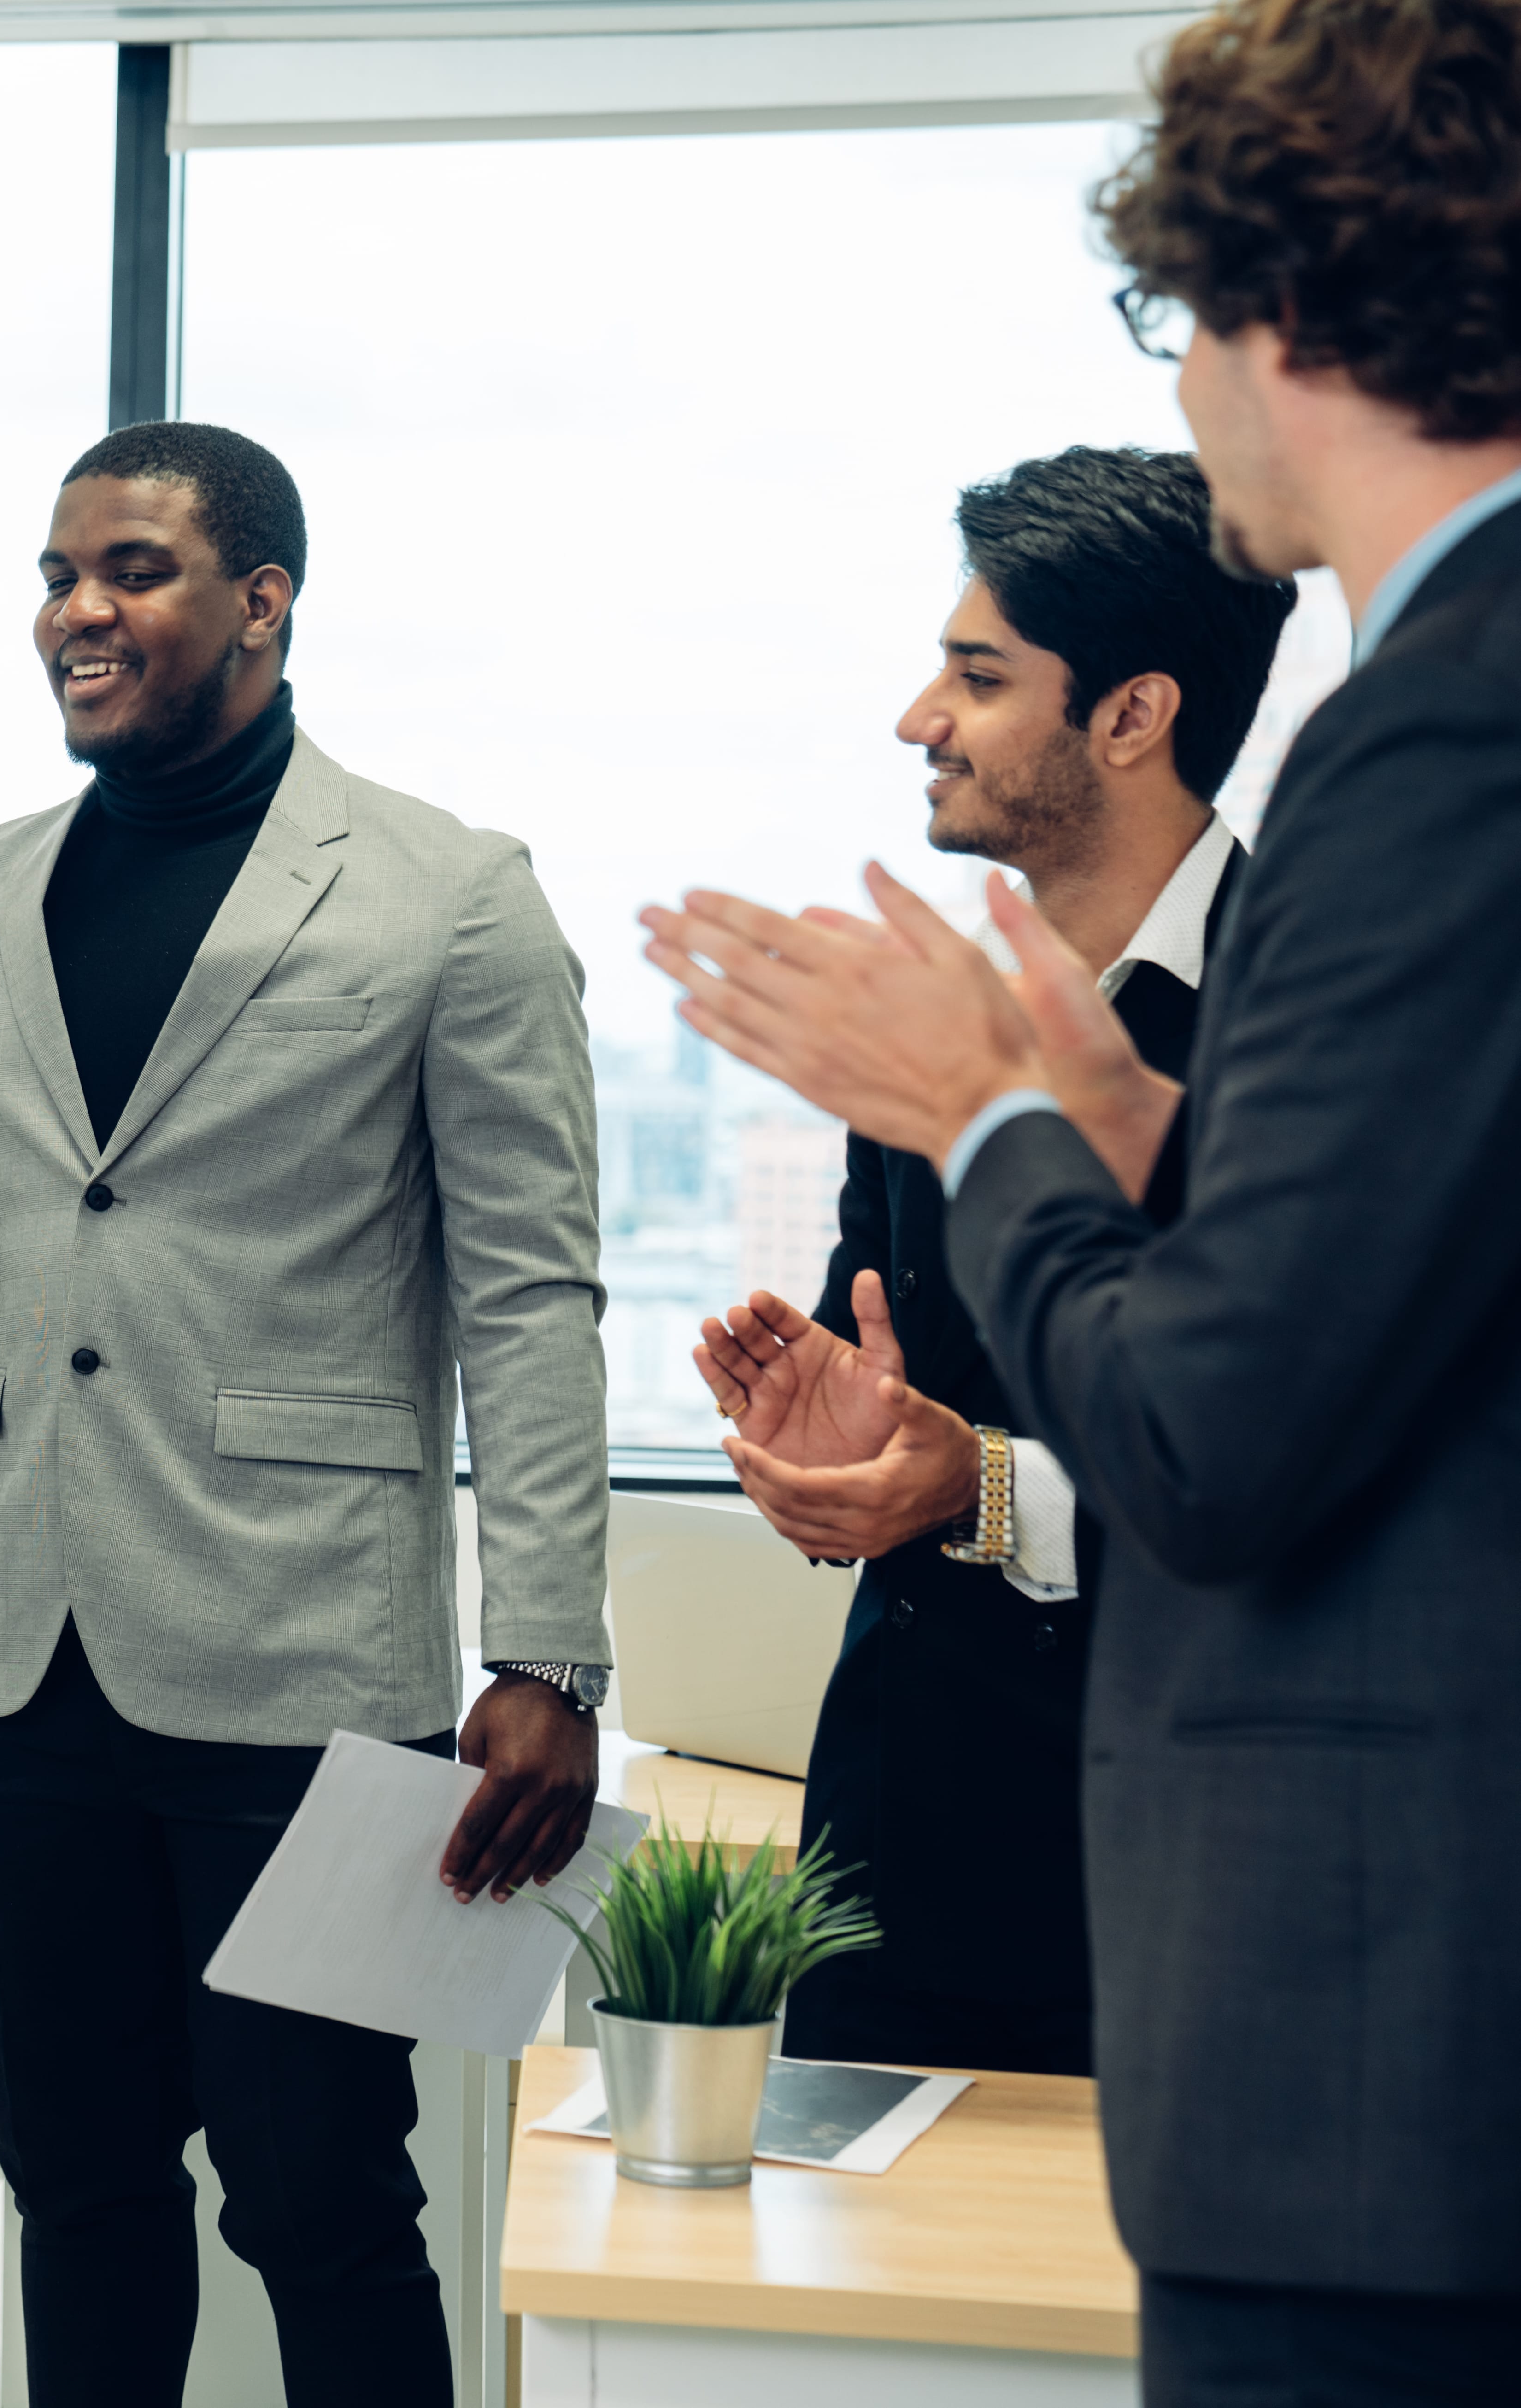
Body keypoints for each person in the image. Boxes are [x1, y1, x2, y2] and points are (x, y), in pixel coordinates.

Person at [643, 1, 1521, 2388]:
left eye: (1175, 319)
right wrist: (1094, 1143)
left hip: (1338, 2023)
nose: (1186, 388)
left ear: (1289, 299)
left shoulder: (1438, 727)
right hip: (947, 1857)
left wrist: (999, 1122)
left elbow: (1233, 1426)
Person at [0, 423, 610, 2404]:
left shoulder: (449, 896)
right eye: (60, 572)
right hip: (18, 1672)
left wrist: (551, 1646)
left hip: (311, 1671)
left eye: (134, 568)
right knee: (74, 2188)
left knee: (322, 2195)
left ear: (264, 599)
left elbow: (530, 1289)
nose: (79, 608)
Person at [694, 447, 1293, 2078]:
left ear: (1129, 713)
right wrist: (824, 1432)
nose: (917, 718)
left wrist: (975, 1484)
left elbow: (1307, 1466)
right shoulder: (937, 1013)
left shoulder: (1308, 1024)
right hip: (896, 1868)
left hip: (1191, 1882)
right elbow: (889, 1373)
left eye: (973, 674)